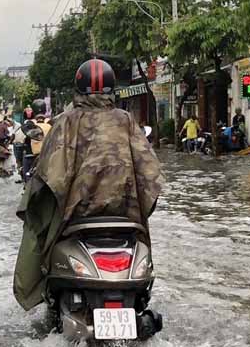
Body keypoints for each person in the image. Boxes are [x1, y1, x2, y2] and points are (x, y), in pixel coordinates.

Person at [13, 58, 162, 311]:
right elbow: (150, 174)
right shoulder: (126, 120)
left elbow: (48, 175)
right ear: (112, 88)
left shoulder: (66, 122)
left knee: (36, 230)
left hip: (74, 220)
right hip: (125, 218)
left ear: (77, 89)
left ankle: (37, 291)